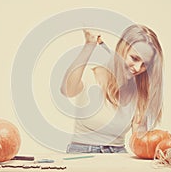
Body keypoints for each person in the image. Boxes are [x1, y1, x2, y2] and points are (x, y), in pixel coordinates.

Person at [60, 24, 164, 153]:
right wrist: (89, 45)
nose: (137, 68)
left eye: (144, 65)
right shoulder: (90, 75)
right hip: (82, 153)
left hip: (118, 154)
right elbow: (66, 90)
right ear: (121, 49)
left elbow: (140, 141)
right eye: (134, 58)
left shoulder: (139, 93)